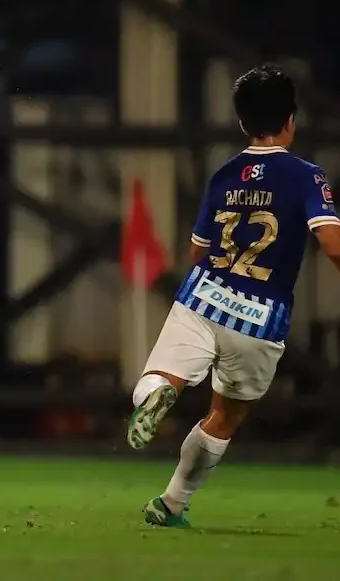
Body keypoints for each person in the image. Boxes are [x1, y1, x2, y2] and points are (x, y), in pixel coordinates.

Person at [127, 65, 340, 527]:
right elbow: (331, 244)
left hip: (204, 295)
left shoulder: (224, 174)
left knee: (163, 373)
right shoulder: (307, 176)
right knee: (224, 415)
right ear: (291, 120)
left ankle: (158, 392)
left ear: (243, 123)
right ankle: (172, 502)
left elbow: (196, 251)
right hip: (260, 317)